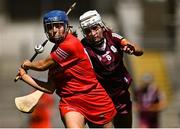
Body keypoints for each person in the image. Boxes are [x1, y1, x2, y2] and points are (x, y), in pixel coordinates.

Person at [17, 10, 117, 128]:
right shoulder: (54, 55)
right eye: (50, 27)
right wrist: (24, 76)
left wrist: (28, 64)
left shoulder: (70, 44)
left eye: (58, 26)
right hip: (70, 102)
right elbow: (49, 88)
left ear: (66, 27)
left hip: (94, 98)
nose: (54, 30)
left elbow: (42, 65)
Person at [79, 10, 144, 128]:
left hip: (121, 94)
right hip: (101, 97)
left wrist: (132, 48)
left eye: (95, 28)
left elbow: (140, 51)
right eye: (88, 31)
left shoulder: (112, 37)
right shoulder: (83, 47)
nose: (93, 33)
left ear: (102, 26)